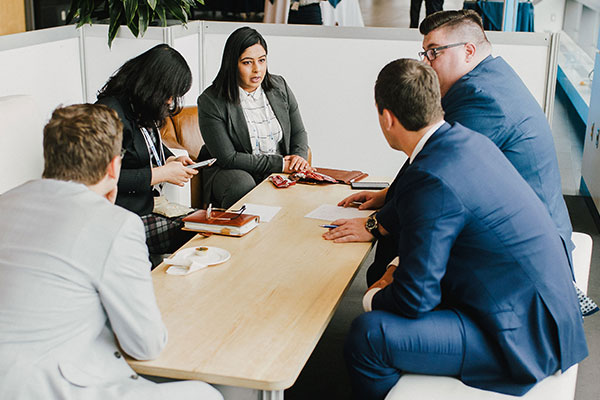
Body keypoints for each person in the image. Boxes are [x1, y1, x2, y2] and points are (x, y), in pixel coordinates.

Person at [334, 59, 588, 400]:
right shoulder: (467, 140)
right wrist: (397, 267)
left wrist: (373, 295)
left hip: (522, 335)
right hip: (542, 305)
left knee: (367, 335)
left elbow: (415, 299)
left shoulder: (429, 177)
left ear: (387, 118)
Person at [0, 104, 223, 400]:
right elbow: (146, 344)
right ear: (113, 166)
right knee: (206, 395)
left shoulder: (6, 202)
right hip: (49, 388)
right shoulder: (115, 225)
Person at [339, 10, 574, 285]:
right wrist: (388, 195)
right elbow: (428, 153)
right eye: (424, 53)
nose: (426, 63)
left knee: (404, 232)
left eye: (434, 52)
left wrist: (376, 224)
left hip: (525, 256)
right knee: (400, 223)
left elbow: (440, 172)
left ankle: (390, 305)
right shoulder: (487, 78)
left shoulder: (483, 100)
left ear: (469, 51)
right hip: (514, 230)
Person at [97, 44, 197, 256]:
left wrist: (169, 160)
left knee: (212, 223)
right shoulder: (110, 115)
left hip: (149, 206)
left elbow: (149, 144)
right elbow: (102, 178)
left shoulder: (141, 106)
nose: (170, 101)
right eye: (169, 94)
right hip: (124, 216)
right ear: (153, 85)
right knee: (201, 231)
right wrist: (161, 174)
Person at [198, 26, 311, 208]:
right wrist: (280, 164)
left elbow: (298, 131)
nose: (257, 69)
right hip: (233, 170)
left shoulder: (279, 86)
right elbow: (228, 157)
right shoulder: (211, 101)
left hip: (277, 165)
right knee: (242, 184)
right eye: (247, 62)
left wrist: (298, 158)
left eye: (262, 60)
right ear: (232, 63)